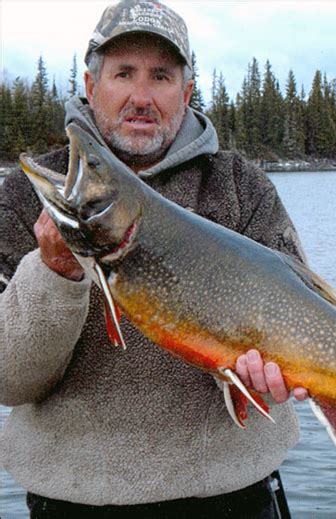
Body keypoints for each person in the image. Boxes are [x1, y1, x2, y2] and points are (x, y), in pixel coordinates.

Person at [0, 1, 309, 517]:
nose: (141, 96)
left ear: (186, 93)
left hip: (235, 498)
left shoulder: (241, 188)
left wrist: (264, 376)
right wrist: (55, 272)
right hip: (72, 502)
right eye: (124, 73)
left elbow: (296, 317)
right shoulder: (28, 197)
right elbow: (7, 379)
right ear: (90, 83)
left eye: (161, 77)